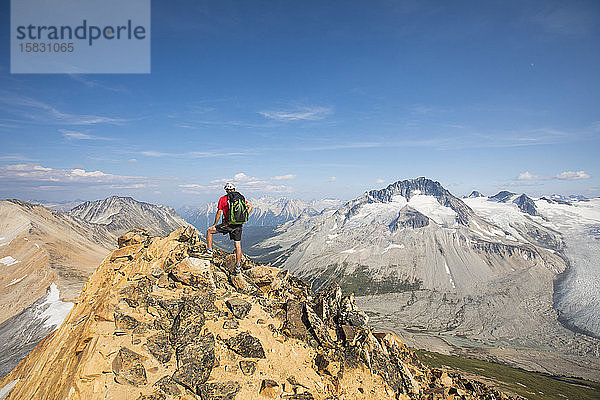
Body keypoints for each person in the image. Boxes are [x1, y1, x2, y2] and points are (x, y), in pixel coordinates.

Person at [206, 182, 250, 275]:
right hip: (238, 225)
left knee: (209, 231)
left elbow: (219, 212)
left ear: (226, 190)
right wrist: (245, 216)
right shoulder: (240, 198)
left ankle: (209, 252)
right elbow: (250, 206)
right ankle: (238, 267)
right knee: (238, 245)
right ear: (234, 189)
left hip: (227, 224)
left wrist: (215, 224)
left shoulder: (223, 199)